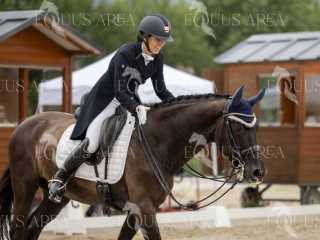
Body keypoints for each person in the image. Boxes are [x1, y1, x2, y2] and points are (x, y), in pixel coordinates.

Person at [48, 13, 175, 203]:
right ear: (145, 37)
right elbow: (119, 90)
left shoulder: (158, 58)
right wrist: (137, 107)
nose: (161, 44)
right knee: (91, 143)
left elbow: (161, 89)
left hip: (130, 101)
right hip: (106, 101)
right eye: (158, 40)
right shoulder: (125, 53)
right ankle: (60, 178)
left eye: (164, 41)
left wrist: (177, 106)